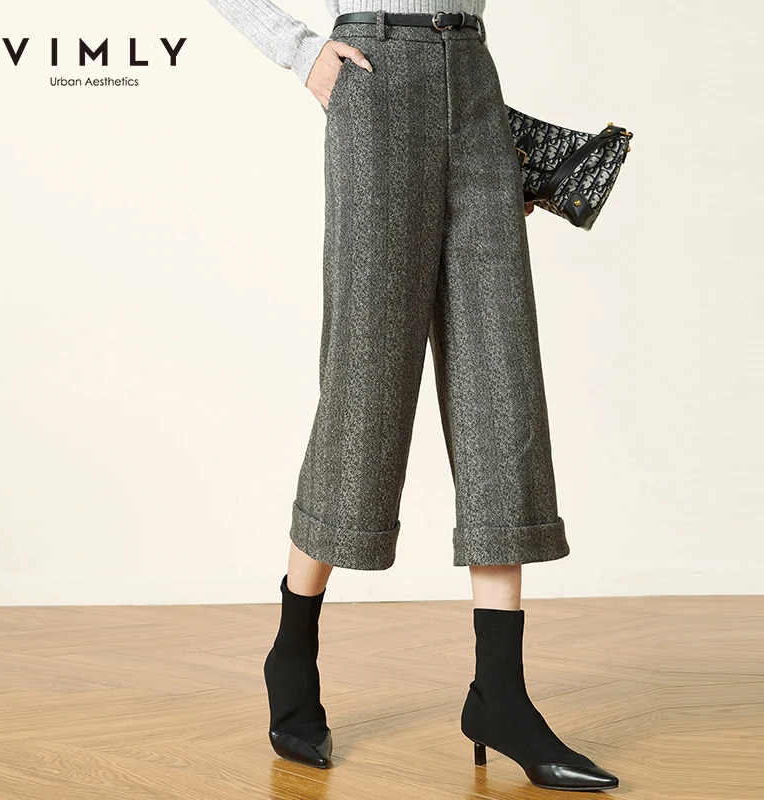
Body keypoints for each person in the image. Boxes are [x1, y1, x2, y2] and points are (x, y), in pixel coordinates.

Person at [205, 0, 620, 791]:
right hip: (375, 75)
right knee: (366, 383)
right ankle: (292, 647)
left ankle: (500, 695)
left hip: (475, 82)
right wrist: (297, 50)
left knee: (502, 381)